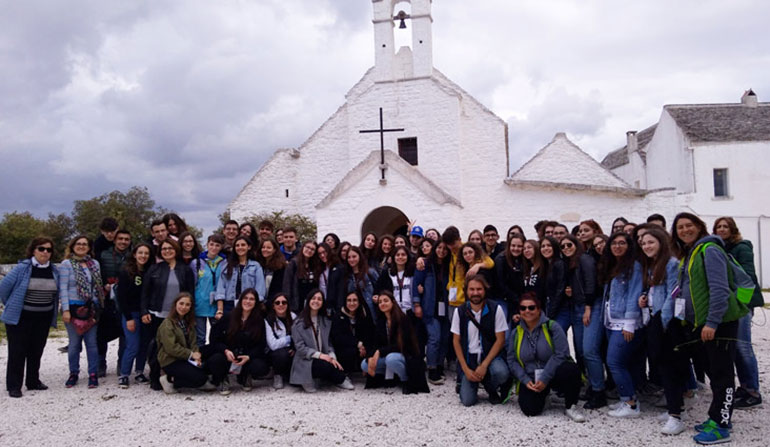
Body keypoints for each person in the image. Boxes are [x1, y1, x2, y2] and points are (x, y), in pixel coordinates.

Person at [670, 213, 748, 444]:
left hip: (719, 324)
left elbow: (719, 289)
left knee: (722, 375)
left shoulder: (709, 250)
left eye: (689, 226)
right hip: (701, 324)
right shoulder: (690, 253)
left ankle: (721, 425)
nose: (684, 230)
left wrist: (712, 322)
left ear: (699, 227)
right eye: (680, 227)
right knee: (715, 373)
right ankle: (718, 417)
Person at [507, 292, 586, 422]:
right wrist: (525, 380)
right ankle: (544, 396)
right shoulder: (516, 332)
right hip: (531, 377)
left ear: (539, 310)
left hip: (553, 373)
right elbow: (512, 360)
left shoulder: (552, 326)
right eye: (523, 308)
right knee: (530, 410)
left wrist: (545, 378)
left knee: (571, 370)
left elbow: (562, 353)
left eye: (531, 307)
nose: (527, 311)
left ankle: (571, 406)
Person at [713, 216, 764, 409]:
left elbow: (748, 278)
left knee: (743, 347)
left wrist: (741, 305)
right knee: (734, 348)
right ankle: (743, 387)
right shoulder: (720, 249)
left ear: (732, 229)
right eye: (719, 226)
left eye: (726, 226)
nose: (722, 229)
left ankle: (752, 390)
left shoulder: (741, 248)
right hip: (729, 306)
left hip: (740, 306)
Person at [637, 228, 683, 434]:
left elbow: (674, 293)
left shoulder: (671, 264)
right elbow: (656, 291)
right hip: (655, 318)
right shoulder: (652, 264)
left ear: (661, 243)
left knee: (668, 367)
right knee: (663, 365)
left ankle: (676, 417)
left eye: (650, 242)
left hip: (666, 322)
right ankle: (675, 407)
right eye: (643, 243)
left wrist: (662, 323)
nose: (646, 246)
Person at [0, 237, 59, 398]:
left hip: (43, 317)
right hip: (21, 318)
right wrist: (12, 304)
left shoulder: (54, 270)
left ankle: (33, 381)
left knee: (36, 350)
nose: (45, 252)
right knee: (17, 352)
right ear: (33, 250)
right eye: (41, 248)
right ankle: (14, 385)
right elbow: (3, 289)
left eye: (49, 249)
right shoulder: (22, 268)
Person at [598, 232, 644, 418]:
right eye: (614, 243)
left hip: (624, 322)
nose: (617, 246)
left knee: (614, 362)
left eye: (622, 243)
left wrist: (629, 322)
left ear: (629, 245)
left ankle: (631, 404)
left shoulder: (634, 266)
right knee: (622, 361)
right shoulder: (613, 265)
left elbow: (635, 294)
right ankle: (627, 397)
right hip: (611, 320)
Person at [140, 238, 196, 389]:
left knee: (175, 345)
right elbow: (145, 292)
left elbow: (190, 293)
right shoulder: (154, 269)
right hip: (157, 314)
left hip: (179, 316)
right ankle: (155, 377)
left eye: (170, 248)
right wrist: (144, 311)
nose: (167, 251)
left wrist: (190, 313)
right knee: (155, 347)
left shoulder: (185, 269)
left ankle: (174, 375)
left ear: (176, 250)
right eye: (164, 249)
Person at [451, 275, 510, 406]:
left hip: (489, 357)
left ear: (485, 290)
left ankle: (491, 388)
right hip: (469, 358)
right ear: (466, 291)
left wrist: (484, 365)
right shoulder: (459, 312)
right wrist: (465, 369)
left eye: (479, 289)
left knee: (501, 372)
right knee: (467, 401)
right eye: (472, 289)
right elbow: (456, 341)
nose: (475, 293)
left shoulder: (496, 309)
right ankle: (468, 381)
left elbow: (500, 340)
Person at [204, 289, 270, 395]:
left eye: (252, 299)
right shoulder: (227, 317)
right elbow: (214, 339)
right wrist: (225, 350)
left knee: (260, 366)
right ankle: (222, 378)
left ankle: (244, 376)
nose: (248, 301)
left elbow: (261, 344)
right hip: (227, 354)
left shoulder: (259, 321)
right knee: (215, 360)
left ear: (256, 302)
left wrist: (249, 356)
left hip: (246, 356)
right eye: (246, 298)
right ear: (240, 300)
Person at [59, 236, 105, 389]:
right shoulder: (66, 265)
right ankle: (73, 373)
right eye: (78, 244)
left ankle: (93, 373)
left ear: (89, 247)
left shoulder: (94, 264)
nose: (81, 246)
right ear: (72, 246)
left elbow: (97, 286)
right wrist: (65, 310)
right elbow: (63, 288)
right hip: (73, 308)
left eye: (85, 244)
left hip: (91, 308)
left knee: (91, 343)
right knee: (74, 344)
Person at [363, 290, 428, 394]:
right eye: (380, 302)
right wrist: (371, 357)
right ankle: (390, 378)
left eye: (385, 301)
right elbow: (376, 343)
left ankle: (405, 379)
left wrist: (379, 351)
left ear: (393, 302)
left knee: (391, 359)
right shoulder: (381, 322)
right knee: (364, 365)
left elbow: (401, 345)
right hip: (388, 354)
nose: (382, 304)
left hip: (405, 355)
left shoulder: (403, 319)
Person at [290, 290, 354, 392]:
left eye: (319, 299)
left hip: (324, 357)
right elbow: (300, 348)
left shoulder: (326, 321)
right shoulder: (298, 323)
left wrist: (332, 357)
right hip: (306, 359)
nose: (316, 301)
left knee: (333, 364)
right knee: (325, 366)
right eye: (313, 298)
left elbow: (328, 343)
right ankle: (307, 380)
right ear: (308, 301)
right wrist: (321, 355)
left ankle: (339, 379)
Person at [116, 243, 154, 388]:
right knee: (132, 345)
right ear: (134, 254)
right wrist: (128, 318)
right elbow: (122, 297)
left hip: (145, 313)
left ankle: (139, 372)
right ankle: (124, 374)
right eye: (140, 253)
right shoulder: (126, 271)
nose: (143, 256)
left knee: (144, 345)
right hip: (131, 313)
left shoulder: (149, 271)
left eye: (146, 253)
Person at [413, 239, 451, 384]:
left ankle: (440, 364)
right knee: (434, 338)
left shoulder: (449, 265)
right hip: (430, 307)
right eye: (439, 248)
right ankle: (432, 368)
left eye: (445, 249)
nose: (441, 251)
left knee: (444, 338)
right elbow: (416, 283)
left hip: (446, 307)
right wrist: (417, 303)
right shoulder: (426, 265)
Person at [156, 292, 209, 394]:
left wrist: (196, 355)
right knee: (200, 379)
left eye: (187, 305)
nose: (184, 307)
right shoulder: (167, 324)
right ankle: (170, 380)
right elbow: (171, 348)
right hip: (170, 360)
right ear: (175, 304)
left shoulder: (188, 321)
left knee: (208, 360)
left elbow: (193, 342)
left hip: (185, 357)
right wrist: (191, 354)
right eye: (181, 303)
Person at [97, 229, 131, 377]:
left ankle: (121, 363)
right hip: (106, 299)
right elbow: (97, 274)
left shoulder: (132, 256)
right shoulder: (104, 255)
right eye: (120, 239)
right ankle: (100, 363)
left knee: (124, 333)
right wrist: (104, 284)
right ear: (115, 240)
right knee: (101, 333)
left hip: (124, 299)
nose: (123, 242)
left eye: (126, 239)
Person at [190, 234, 226, 346]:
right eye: (211, 244)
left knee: (216, 336)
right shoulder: (197, 263)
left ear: (221, 247)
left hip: (216, 304)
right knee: (200, 337)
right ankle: (200, 360)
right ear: (207, 244)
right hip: (199, 303)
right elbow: (192, 284)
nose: (214, 247)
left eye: (217, 245)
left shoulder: (225, 263)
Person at [216, 236, 267, 314]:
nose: (240, 247)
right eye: (237, 245)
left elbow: (260, 288)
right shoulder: (226, 265)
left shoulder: (256, 266)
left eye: (243, 245)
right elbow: (220, 288)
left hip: (249, 304)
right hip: (229, 304)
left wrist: (256, 305)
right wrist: (220, 310)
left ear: (249, 247)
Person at [330, 291, 376, 373]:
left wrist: (362, 346)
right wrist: (357, 344)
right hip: (345, 347)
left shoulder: (364, 313)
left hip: (362, 346)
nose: (352, 303)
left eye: (355, 300)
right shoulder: (339, 315)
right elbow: (338, 337)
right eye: (349, 300)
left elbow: (370, 333)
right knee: (349, 352)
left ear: (359, 302)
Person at [265, 293, 295, 389]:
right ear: (273, 306)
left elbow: (300, 336)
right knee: (281, 354)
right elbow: (273, 344)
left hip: (292, 350)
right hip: (275, 353)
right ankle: (277, 374)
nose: (281, 305)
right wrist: (290, 338)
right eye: (277, 303)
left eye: (284, 302)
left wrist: (294, 347)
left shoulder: (293, 316)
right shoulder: (268, 320)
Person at [283, 240, 321, 313]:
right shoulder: (293, 263)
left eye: (312, 249)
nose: (309, 250)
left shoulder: (315, 265)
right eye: (308, 247)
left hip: (311, 303)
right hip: (296, 303)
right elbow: (287, 285)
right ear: (303, 247)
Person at [495, 233, 526, 321]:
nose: (516, 249)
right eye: (513, 246)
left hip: (520, 299)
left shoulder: (525, 260)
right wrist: (517, 300)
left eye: (519, 246)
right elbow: (501, 284)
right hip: (504, 298)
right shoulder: (500, 259)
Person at [257, 237, 287, 305]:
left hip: (272, 303)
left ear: (274, 250)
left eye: (268, 248)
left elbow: (279, 288)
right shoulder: (257, 265)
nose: (265, 250)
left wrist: (268, 303)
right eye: (263, 247)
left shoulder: (280, 267)